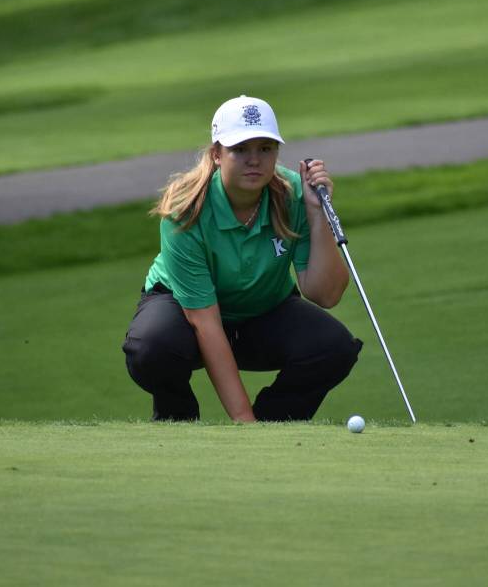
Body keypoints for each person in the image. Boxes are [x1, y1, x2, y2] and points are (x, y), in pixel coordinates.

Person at [122, 94, 363, 422]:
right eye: (240, 149)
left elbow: (326, 294)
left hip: (261, 310)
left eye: (265, 149)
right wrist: (242, 420)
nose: (255, 160)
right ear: (217, 154)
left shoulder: (293, 193)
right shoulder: (186, 210)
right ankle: (177, 422)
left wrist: (316, 213)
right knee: (152, 348)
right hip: (185, 315)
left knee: (333, 347)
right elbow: (205, 322)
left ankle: (272, 428)